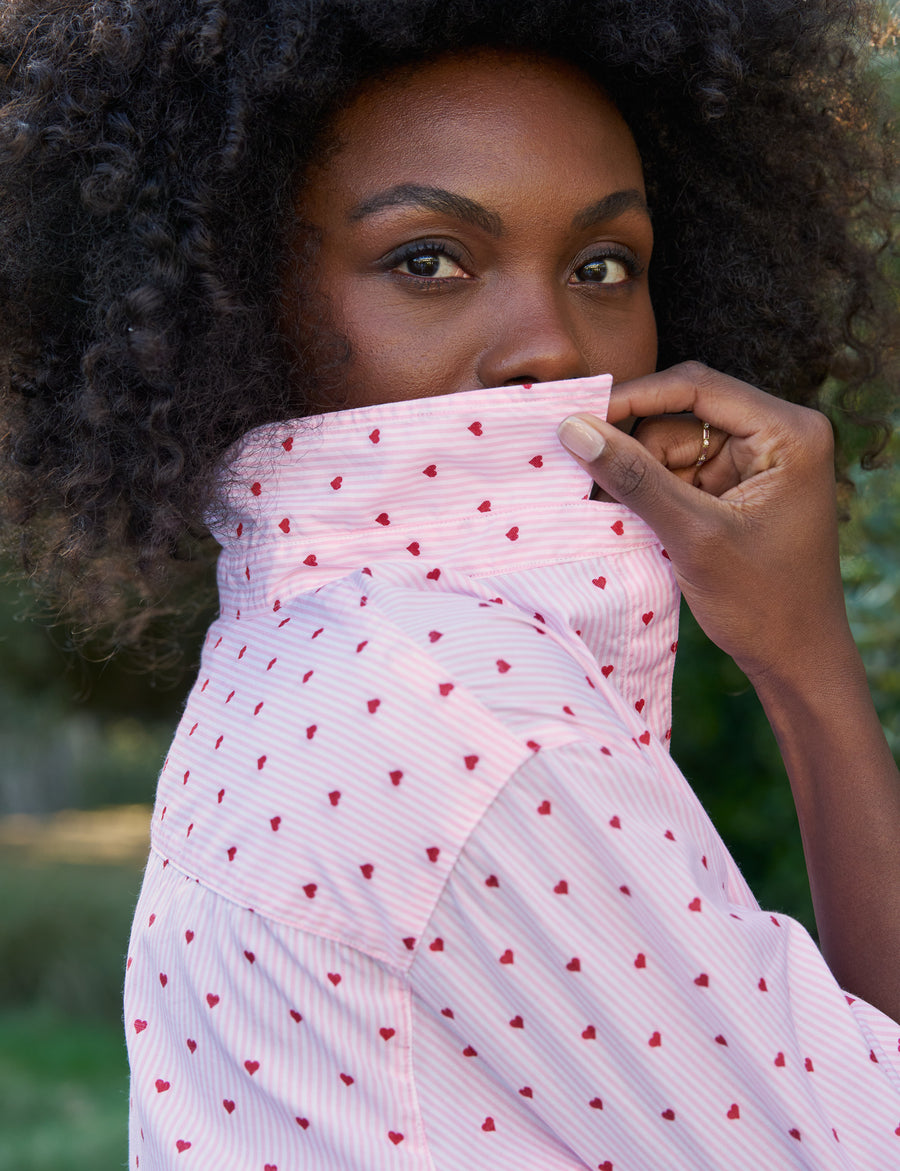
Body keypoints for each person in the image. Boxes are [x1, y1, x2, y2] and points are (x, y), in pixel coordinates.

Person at [1, 2, 899, 1168]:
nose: (555, 350)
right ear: (241, 296)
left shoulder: (308, 649)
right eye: (429, 260)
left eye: (602, 264)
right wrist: (812, 667)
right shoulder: (465, 712)